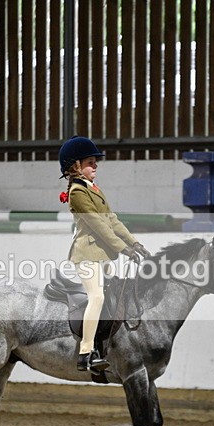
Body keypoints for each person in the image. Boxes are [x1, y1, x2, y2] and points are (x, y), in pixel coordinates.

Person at [58, 136, 151, 372]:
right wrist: (123, 249)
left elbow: (112, 220)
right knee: (97, 297)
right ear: (75, 166)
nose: (95, 165)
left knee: (112, 296)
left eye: (95, 162)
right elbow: (99, 226)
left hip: (103, 255)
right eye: (90, 162)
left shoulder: (94, 189)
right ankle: (85, 353)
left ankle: (103, 346)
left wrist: (134, 242)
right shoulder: (78, 192)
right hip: (86, 254)